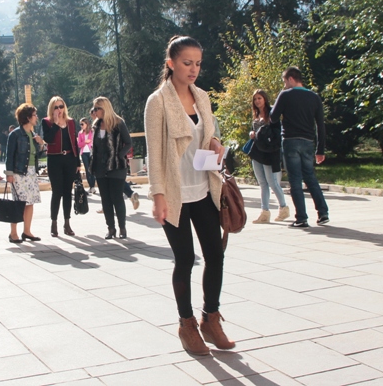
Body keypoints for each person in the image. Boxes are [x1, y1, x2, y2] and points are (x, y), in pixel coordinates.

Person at [144, 36, 235, 356]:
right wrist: (158, 196)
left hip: (204, 188)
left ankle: (211, 318)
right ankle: (186, 324)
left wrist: (216, 144)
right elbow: (154, 153)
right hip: (175, 193)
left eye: (198, 63)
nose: (194, 69)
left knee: (216, 255)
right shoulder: (157, 102)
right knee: (184, 260)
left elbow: (210, 135)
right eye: (187, 63)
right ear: (170, 64)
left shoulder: (203, 97)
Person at [270, 66, 329, 228]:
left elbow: (273, 118)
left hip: (290, 140)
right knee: (310, 177)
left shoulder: (286, 95)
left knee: (295, 180)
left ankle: (301, 217)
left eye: (284, 81)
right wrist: (320, 149)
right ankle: (323, 213)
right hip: (308, 142)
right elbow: (320, 125)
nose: (284, 85)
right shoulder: (314, 97)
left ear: (290, 79)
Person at [89, 96, 132, 239]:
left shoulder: (118, 123)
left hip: (117, 167)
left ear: (104, 108)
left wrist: (120, 155)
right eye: (94, 109)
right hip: (100, 168)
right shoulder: (95, 125)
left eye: (97, 108)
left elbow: (128, 143)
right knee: (105, 199)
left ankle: (122, 228)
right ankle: (111, 228)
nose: (94, 111)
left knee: (117, 197)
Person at [5, 104, 44, 243]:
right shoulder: (15, 134)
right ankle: (13, 233)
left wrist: (40, 144)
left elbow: (36, 155)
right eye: (34, 115)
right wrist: (9, 174)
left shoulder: (33, 134)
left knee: (30, 202)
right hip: (19, 173)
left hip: (32, 173)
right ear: (28, 117)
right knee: (18, 203)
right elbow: (9, 156)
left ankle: (27, 231)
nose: (36, 117)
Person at [248, 90, 290, 224]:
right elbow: (255, 130)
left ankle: (283, 207)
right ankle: (264, 212)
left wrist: (263, 134)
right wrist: (252, 133)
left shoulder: (272, 113)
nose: (257, 101)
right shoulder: (256, 114)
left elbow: (277, 132)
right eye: (255, 99)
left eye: (259, 98)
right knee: (262, 183)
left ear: (265, 99)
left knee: (272, 182)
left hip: (269, 151)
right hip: (257, 151)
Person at [42, 96, 80, 237]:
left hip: (69, 158)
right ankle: (54, 223)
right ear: (52, 109)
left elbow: (75, 143)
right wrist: (56, 124)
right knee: (57, 192)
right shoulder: (47, 122)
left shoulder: (71, 122)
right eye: (56, 107)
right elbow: (48, 139)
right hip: (54, 159)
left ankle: (67, 223)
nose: (59, 109)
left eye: (61, 106)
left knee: (67, 193)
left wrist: (77, 163)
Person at [77, 117, 97, 195]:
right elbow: (79, 144)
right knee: (87, 170)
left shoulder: (92, 132)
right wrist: (85, 141)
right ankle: (91, 186)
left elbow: (91, 140)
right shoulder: (80, 133)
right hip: (83, 153)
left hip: (91, 152)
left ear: (87, 124)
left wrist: (84, 142)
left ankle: (93, 186)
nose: (81, 125)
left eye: (82, 124)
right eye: (80, 124)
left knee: (92, 170)